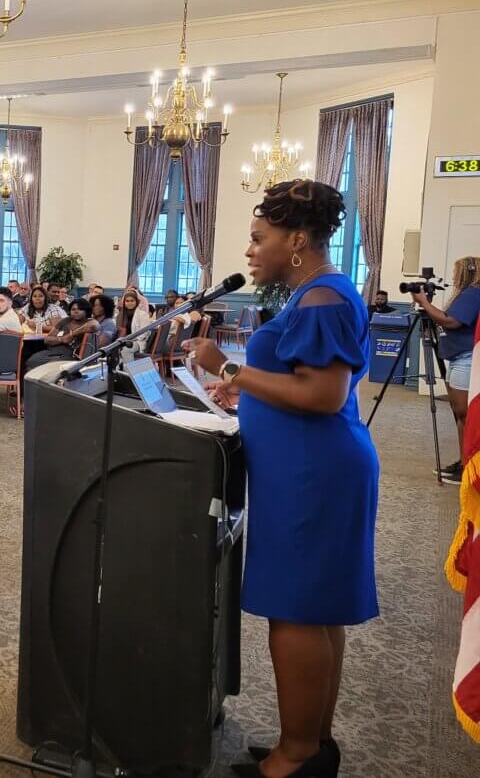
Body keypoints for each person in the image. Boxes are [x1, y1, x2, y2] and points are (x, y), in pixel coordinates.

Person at [185, 179, 377, 778]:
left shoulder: (323, 297)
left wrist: (230, 367)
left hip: (312, 474)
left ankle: (296, 756)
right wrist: (246, 395)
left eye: (257, 238)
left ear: (297, 240)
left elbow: (322, 394)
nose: (249, 250)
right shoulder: (314, 292)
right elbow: (297, 384)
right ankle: (311, 743)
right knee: (316, 610)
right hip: (311, 466)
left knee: (297, 611)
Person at [410, 256, 480, 484]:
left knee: (465, 415)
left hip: (465, 359)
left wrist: (425, 303)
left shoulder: (473, 292)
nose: (453, 277)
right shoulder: (470, 293)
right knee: (461, 415)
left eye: (456, 271)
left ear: (467, 272)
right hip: (460, 357)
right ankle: (464, 461)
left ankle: (469, 465)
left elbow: (451, 322)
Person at [24, 298, 97, 375]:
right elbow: (47, 339)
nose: (76, 311)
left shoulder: (89, 321)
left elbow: (93, 327)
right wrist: (61, 339)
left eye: (80, 309)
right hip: (52, 352)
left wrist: (72, 334)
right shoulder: (66, 321)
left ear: (86, 311)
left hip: (70, 355)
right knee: (31, 361)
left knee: (48, 367)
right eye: (73, 309)